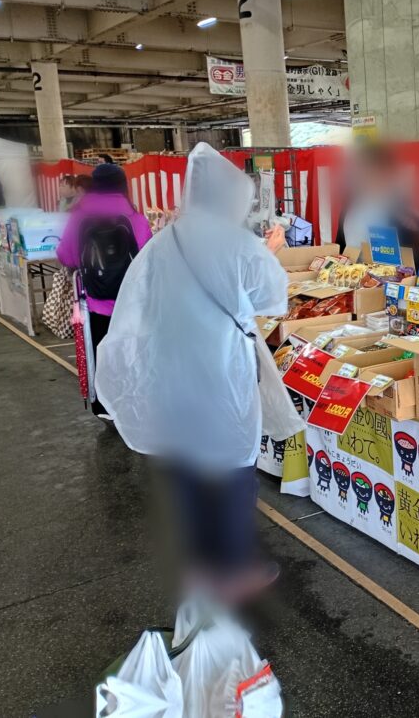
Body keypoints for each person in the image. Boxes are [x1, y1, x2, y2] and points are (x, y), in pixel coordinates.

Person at [95, 143, 290, 603]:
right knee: (233, 472)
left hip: (170, 377)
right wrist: (270, 250)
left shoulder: (163, 243)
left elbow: (137, 308)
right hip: (221, 378)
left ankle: (199, 567)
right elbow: (271, 300)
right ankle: (235, 567)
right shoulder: (238, 244)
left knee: (183, 469)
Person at [56, 163, 152, 418]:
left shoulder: (79, 216)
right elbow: (148, 258)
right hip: (130, 301)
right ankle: (131, 403)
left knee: (98, 351)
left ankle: (104, 407)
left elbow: (66, 255)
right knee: (130, 352)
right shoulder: (135, 216)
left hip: (94, 301)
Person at [335, 142, 419, 267]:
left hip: (389, 276)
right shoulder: (349, 207)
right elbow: (340, 250)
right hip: (353, 276)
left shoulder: (401, 208)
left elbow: (414, 258)